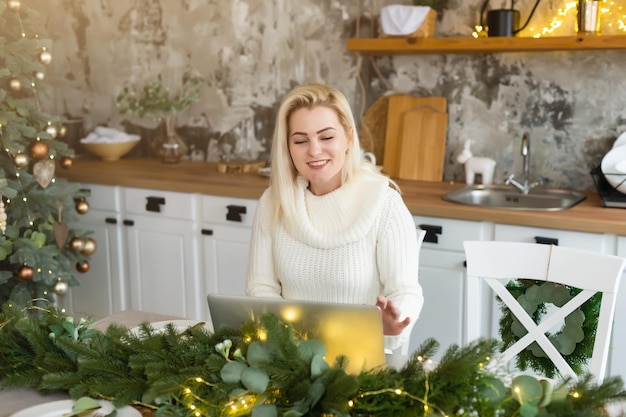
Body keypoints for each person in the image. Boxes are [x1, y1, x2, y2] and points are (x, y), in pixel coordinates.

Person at [246, 83, 424, 352]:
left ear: (349, 139)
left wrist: (394, 321)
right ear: (288, 147)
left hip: (359, 359)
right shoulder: (274, 202)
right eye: (301, 140)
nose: (314, 151)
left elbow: (406, 291)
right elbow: (261, 287)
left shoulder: (384, 202)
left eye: (326, 137)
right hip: (290, 359)